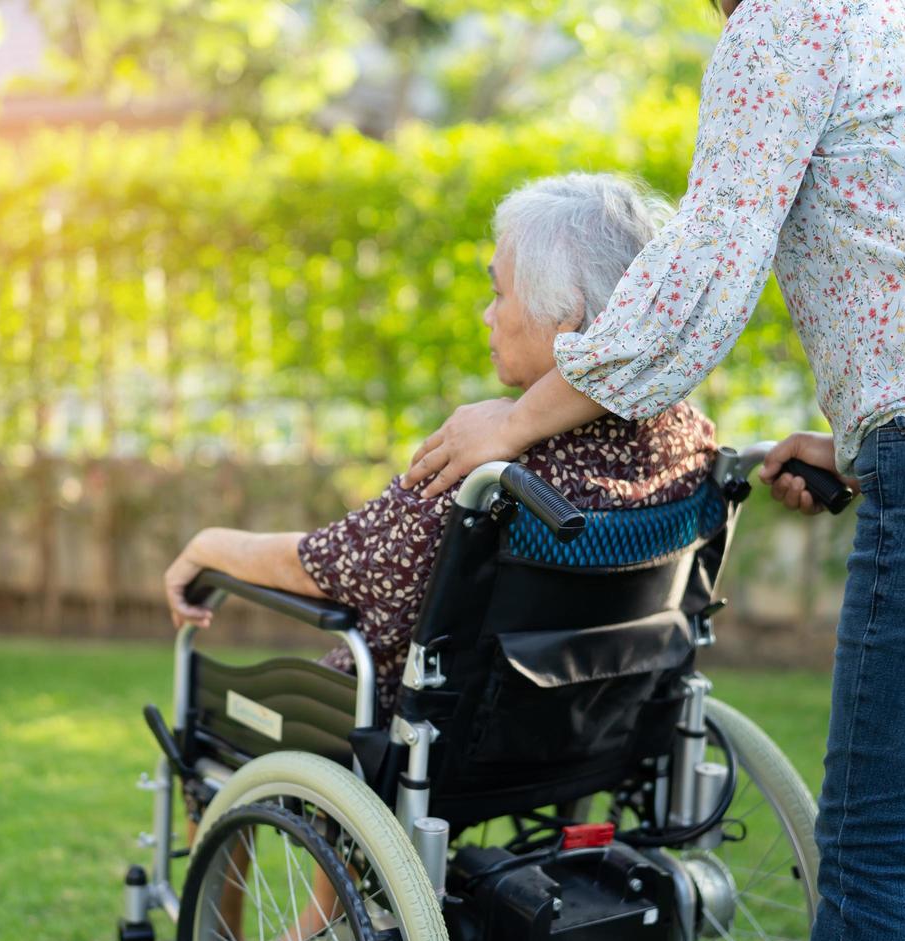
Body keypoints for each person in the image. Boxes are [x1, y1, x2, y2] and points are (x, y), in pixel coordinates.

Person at [400, 1, 905, 941]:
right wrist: (861, 439)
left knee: (882, 860)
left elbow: (703, 274)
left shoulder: (791, 17)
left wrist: (509, 422)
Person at [164, 172, 719, 721]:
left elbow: (334, 567)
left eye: (499, 293)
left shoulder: (493, 474)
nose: (487, 314)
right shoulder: (688, 441)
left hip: (420, 735)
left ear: (567, 316)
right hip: (591, 725)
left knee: (217, 719)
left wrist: (211, 546)